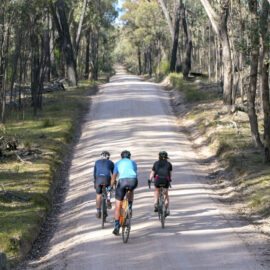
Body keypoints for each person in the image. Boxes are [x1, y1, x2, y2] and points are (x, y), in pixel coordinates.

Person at [111, 150, 138, 236]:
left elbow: (114, 177)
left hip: (122, 181)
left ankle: (116, 227)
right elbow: (134, 173)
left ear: (121, 157)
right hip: (133, 181)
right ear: (129, 157)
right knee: (131, 190)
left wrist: (110, 187)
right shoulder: (133, 163)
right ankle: (129, 206)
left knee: (118, 206)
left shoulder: (118, 163)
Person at [148, 151, 172, 217]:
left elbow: (152, 173)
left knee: (157, 190)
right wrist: (169, 180)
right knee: (166, 194)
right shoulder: (169, 164)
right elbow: (170, 174)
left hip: (158, 180)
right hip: (165, 180)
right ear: (166, 157)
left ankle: (156, 203)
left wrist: (150, 179)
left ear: (159, 157)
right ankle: (166, 210)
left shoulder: (156, 163)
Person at [94, 151, 114, 219]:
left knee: (98, 195)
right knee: (109, 188)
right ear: (108, 157)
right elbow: (113, 173)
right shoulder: (110, 162)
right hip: (106, 178)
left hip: (98, 179)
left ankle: (98, 211)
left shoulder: (97, 162)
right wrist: (114, 182)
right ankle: (108, 199)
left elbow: (94, 173)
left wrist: (95, 182)